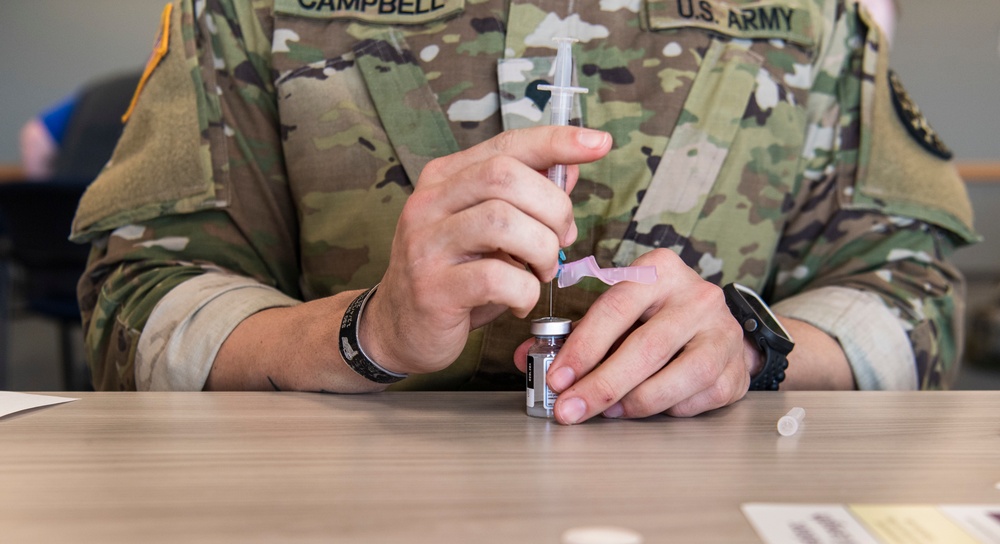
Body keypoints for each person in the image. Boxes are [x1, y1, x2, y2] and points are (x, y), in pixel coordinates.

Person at [72, 0, 976, 424]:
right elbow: (134, 302)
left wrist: (751, 343)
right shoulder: (243, 7)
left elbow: (915, 291)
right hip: (334, 522)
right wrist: (363, 334)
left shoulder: (816, 13)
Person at [19, 70, 142, 183]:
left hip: (67, 196)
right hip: (120, 198)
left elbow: (34, 135)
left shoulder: (102, 91)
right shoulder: (153, 95)